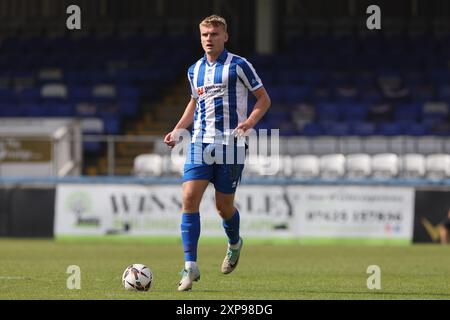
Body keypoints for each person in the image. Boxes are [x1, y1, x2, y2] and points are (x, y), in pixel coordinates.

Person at [164, 14, 271, 291]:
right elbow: (193, 103)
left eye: (214, 34)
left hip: (231, 146)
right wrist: (177, 130)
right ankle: (190, 267)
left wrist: (249, 122)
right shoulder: (194, 70)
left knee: (223, 208)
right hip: (200, 143)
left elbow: (263, 99)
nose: (209, 39)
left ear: (225, 37)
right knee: (189, 198)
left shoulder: (239, 65)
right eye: (204, 35)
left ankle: (234, 243)